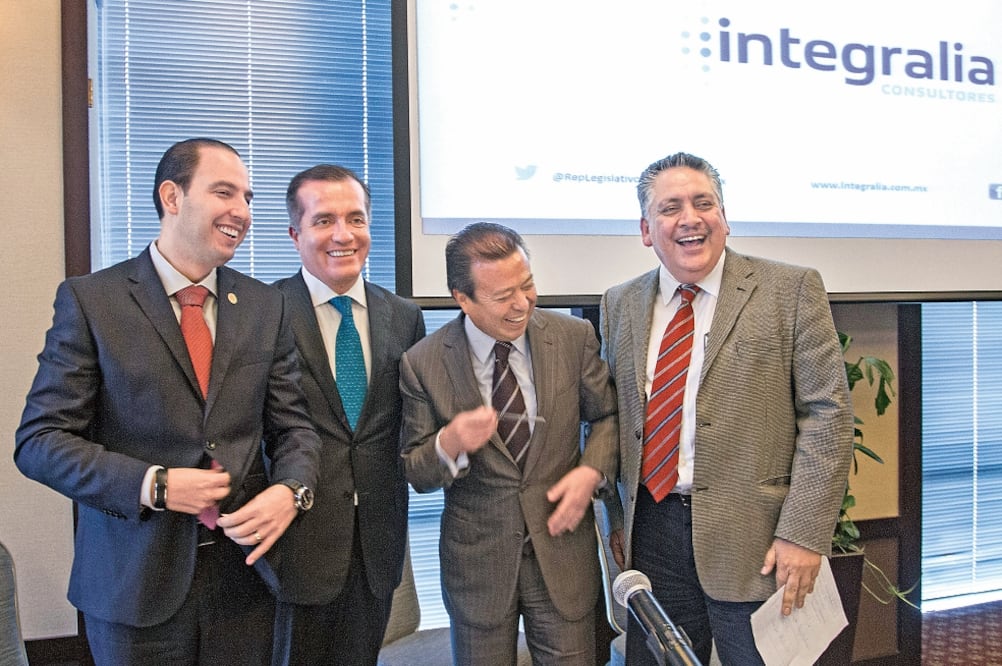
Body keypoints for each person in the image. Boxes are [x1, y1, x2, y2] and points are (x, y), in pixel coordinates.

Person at [14, 138, 322, 666]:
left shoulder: (265, 306)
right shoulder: (93, 301)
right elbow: (40, 443)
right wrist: (152, 484)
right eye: (224, 192)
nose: (241, 212)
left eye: (247, 198)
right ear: (172, 196)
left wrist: (292, 491)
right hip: (134, 587)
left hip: (245, 582)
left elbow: (295, 429)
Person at [599, 152, 854, 665]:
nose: (689, 218)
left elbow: (828, 415)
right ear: (647, 230)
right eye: (670, 208)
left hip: (757, 540)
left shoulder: (790, 289)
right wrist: (615, 522)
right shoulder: (619, 302)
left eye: (703, 203)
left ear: (724, 217)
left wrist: (802, 534)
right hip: (654, 533)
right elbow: (610, 421)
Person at [399, 222, 617, 665]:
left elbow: (608, 417)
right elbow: (416, 470)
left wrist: (590, 472)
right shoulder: (422, 363)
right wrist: (450, 442)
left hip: (562, 557)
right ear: (462, 298)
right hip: (478, 568)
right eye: (503, 296)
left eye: (528, 285)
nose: (522, 304)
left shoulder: (573, 338)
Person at [272, 164, 425, 665]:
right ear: (295, 234)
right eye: (323, 221)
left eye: (355, 219)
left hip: (377, 545)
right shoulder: (262, 312)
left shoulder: (404, 315)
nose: (343, 235)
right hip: (293, 545)